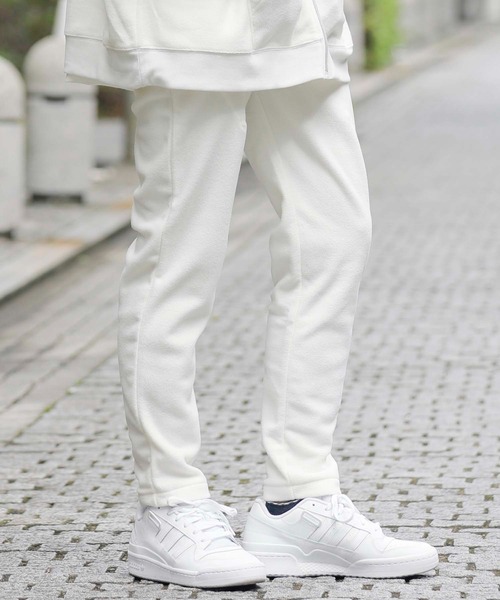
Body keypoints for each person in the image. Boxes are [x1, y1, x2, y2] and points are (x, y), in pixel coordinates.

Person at [64, 0, 439, 589]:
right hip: (189, 22)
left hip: (292, 17)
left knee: (335, 232)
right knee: (181, 249)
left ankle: (298, 499)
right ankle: (169, 500)